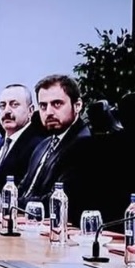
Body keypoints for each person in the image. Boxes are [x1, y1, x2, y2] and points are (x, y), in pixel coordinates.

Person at [18, 74, 96, 223]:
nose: (49, 112)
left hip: (58, 229)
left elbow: (59, 201)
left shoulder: (85, 145)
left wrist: (13, 204)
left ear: (77, 105)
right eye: (43, 106)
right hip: (27, 223)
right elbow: (23, 188)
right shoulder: (43, 145)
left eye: (57, 104)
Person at [0, 84, 46, 192]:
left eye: (14, 105)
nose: (7, 111)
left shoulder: (38, 147)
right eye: (2, 106)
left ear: (30, 110)